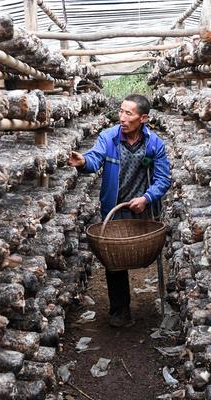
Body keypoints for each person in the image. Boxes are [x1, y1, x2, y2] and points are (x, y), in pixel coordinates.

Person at [68, 94, 171, 327]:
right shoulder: (109, 137)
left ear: (143, 118)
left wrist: (147, 198)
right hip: (114, 207)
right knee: (114, 259)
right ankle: (120, 310)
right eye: (121, 112)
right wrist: (83, 162)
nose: (122, 118)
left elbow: (163, 179)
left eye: (129, 113)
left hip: (142, 208)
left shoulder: (154, 144)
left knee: (142, 251)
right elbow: (95, 159)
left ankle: (153, 300)